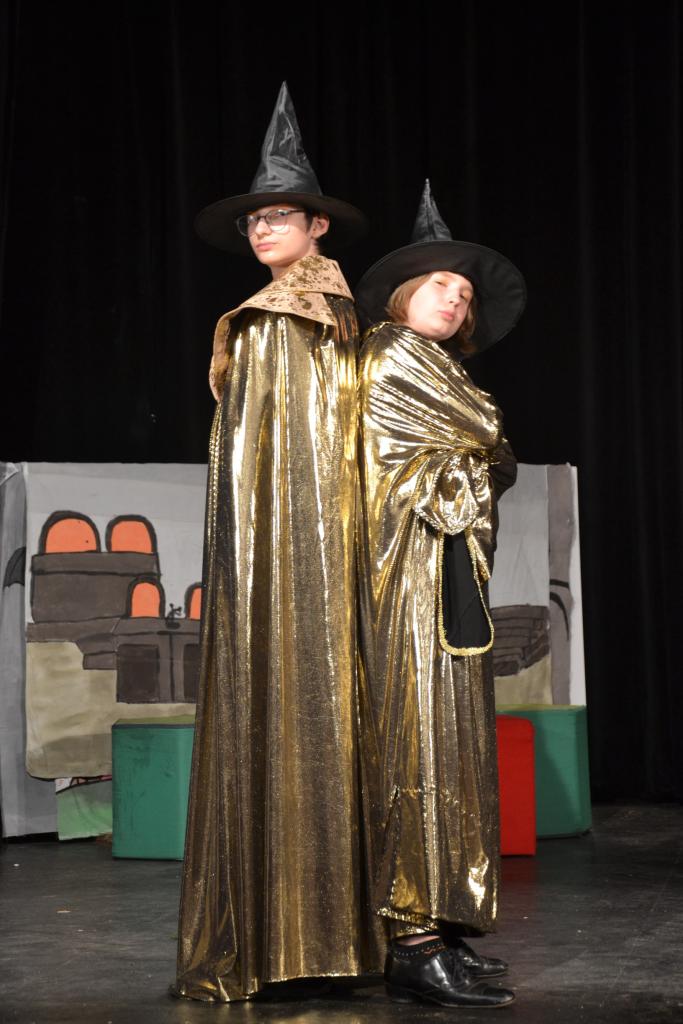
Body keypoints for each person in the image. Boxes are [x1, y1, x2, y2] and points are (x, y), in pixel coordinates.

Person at [174, 83, 380, 1003]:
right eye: (254, 221)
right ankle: (314, 938)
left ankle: (291, 941)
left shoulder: (296, 319)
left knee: (296, 704)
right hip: (294, 554)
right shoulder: (297, 317)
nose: (262, 230)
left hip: (301, 558)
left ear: (316, 228)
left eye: (279, 217)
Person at [354, 180, 526, 1009]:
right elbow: (475, 445)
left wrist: (477, 458)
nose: (454, 300)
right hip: (406, 577)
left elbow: (485, 454)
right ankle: (411, 939)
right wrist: (477, 455)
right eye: (437, 286)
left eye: (462, 294)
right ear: (400, 296)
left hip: (443, 572)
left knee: (449, 740)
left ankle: (441, 922)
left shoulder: (439, 367)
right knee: (415, 740)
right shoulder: (391, 355)